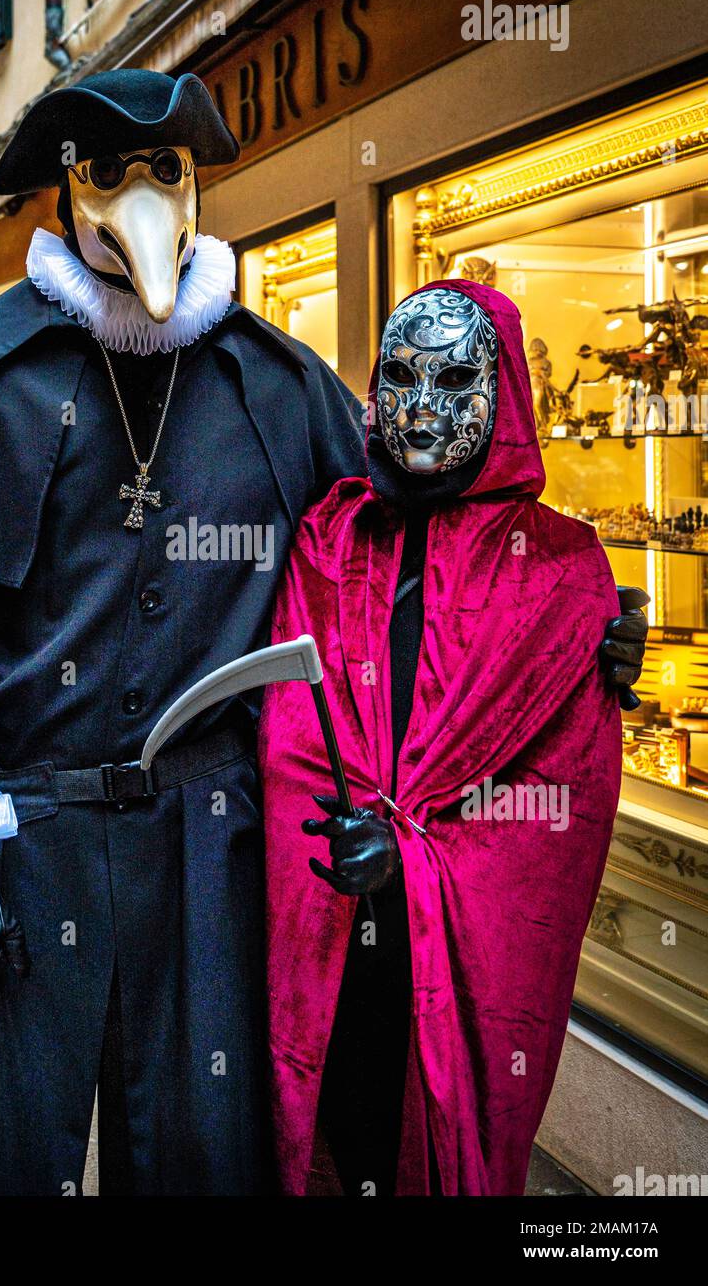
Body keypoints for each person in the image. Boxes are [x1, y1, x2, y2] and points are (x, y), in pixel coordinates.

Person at [0, 72, 644, 1198]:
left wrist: (560, 630)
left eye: (170, 170)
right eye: (113, 172)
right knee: (1, 1153)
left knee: (209, 1154)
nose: (145, 195)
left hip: (216, 849)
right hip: (27, 836)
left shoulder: (278, 380)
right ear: (68, 192)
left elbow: (403, 546)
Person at [258, 281, 645, 1197]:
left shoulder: (559, 563)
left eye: (454, 376)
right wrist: (338, 831)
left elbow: (562, 789)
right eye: (398, 375)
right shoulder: (329, 535)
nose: (421, 406)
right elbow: (289, 728)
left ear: (500, 387)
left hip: (463, 938)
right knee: (344, 1126)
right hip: (333, 909)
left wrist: (417, 854)